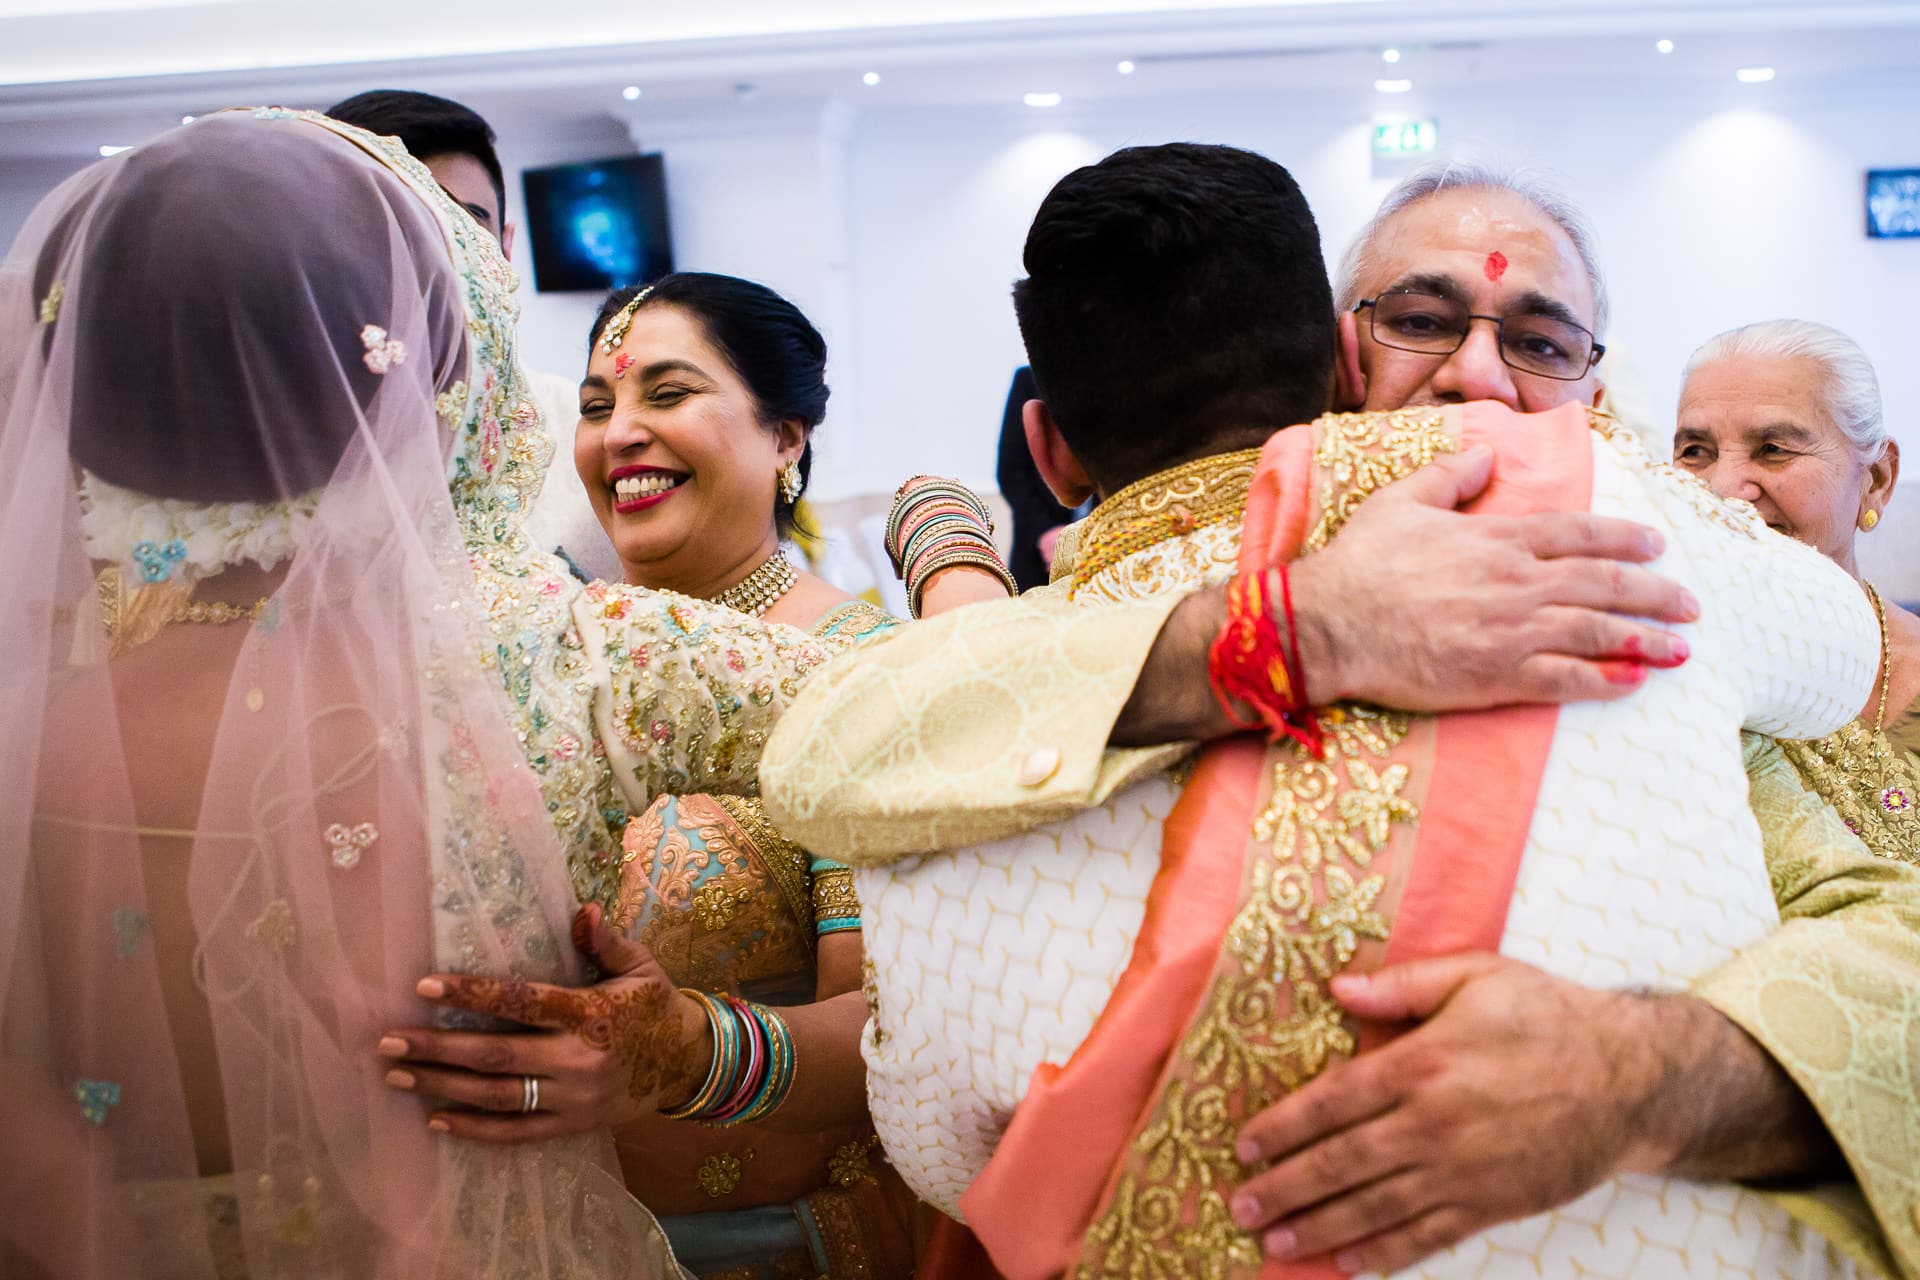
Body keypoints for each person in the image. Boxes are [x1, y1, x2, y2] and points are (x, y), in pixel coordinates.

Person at [760, 155, 1920, 1278]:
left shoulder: (1637, 578)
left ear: (1597, 403)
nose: (1478, 378)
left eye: (1540, 342)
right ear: (1337, 362)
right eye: (1424, 321)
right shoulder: (1108, 627)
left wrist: (1645, 1076)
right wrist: (1297, 630)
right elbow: (836, 744)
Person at [0, 108, 889, 1278]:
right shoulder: (561, 656)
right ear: (431, 370)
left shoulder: (31, 714)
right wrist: (953, 543)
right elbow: (977, 722)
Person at [380, 273, 918, 1279]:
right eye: (596, 405)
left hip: (778, 1249)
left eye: (666, 394)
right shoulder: (527, 663)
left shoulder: (864, 673)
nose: (618, 432)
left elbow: (895, 1034)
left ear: (786, 436)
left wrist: (684, 1055)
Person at [327, 88, 622, 583]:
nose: (437, 251)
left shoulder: (588, 429)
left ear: (504, 246)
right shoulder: (279, 442)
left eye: (464, 222)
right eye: (402, 222)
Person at [1676, 319, 1919, 860]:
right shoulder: (1659, 671)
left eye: (1773, 448)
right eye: (1695, 450)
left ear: (1875, 478)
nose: (1722, 491)